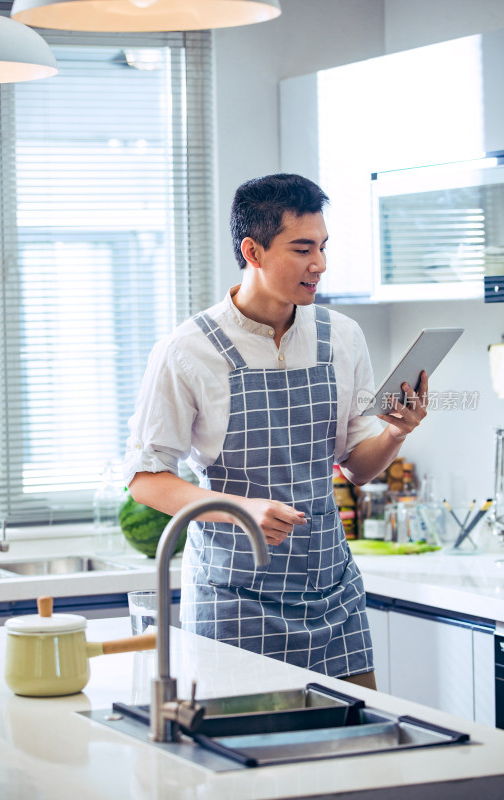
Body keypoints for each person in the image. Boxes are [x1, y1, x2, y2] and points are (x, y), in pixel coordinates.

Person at [124, 173, 428, 690]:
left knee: (357, 750)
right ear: (253, 251)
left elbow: (356, 465)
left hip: (332, 591)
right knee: (250, 761)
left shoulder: (341, 337)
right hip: (233, 598)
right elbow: (145, 478)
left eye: (324, 247)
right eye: (303, 248)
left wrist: (396, 434)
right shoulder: (187, 351)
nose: (321, 265)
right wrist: (240, 509)